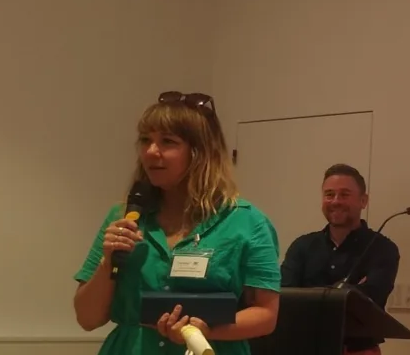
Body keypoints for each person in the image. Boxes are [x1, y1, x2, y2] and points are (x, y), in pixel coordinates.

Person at [72, 91, 282, 355]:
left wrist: (200, 331)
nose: (151, 151)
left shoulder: (247, 222)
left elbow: (266, 315)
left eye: (167, 142)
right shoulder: (122, 217)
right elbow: (87, 319)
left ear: (200, 153)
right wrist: (108, 262)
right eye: (145, 140)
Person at [281, 163, 401, 355]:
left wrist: (310, 295)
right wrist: (345, 292)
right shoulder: (301, 246)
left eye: (345, 194)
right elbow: (286, 297)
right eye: (329, 194)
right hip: (303, 347)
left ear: (363, 201)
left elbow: (369, 301)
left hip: (358, 351)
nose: (336, 201)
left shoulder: (382, 248)